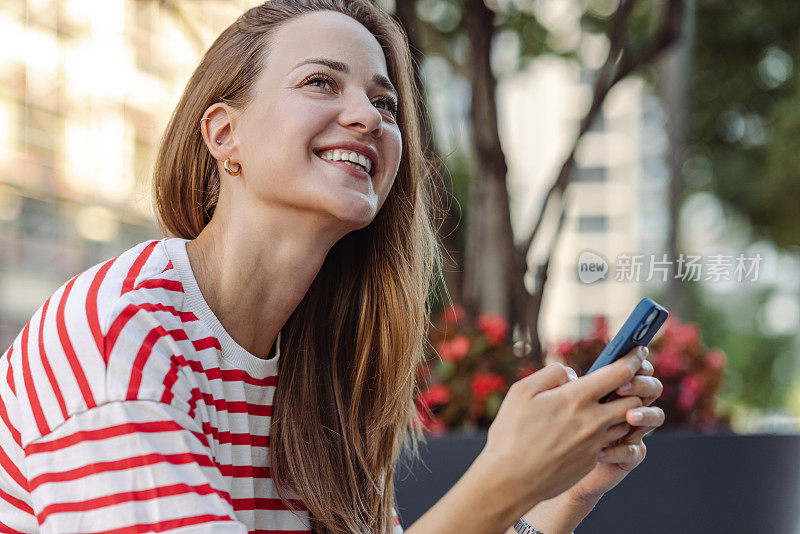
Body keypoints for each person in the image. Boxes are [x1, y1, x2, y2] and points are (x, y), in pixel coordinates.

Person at [0, 0, 664, 533]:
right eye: (322, 81)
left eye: (385, 105)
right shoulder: (119, 335)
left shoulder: (321, 373)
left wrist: (559, 498)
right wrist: (502, 478)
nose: (365, 118)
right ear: (223, 134)